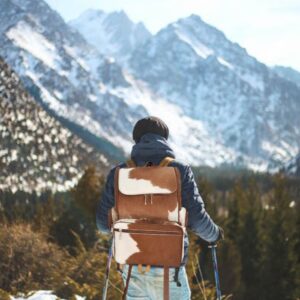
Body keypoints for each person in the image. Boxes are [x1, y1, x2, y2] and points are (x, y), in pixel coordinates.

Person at [96, 116, 224, 300]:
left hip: (132, 267)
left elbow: (102, 224)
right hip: (170, 268)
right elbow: (197, 218)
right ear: (164, 139)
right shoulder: (180, 170)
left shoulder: (118, 173)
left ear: (136, 140)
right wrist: (215, 234)